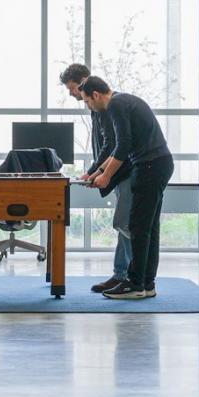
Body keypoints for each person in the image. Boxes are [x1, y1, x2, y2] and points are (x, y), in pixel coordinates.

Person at [82, 77, 174, 300]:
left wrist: (106, 176)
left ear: (96, 95)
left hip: (149, 166)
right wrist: (95, 173)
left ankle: (135, 285)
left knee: (139, 227)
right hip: (159, 164)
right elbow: (118, 147)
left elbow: (122, 146)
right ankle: (147, 284)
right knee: (149, 228)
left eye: (87, 101)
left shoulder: (115, 105)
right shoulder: (124, 101)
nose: (88, 107)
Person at [61, 64, 132, 292]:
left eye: (73, 89)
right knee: (125, 224)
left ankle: (130, 278)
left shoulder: (109, 105)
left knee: (127, 224)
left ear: (86, 84)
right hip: (116, 170)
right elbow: (104, 143)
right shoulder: (97, 106)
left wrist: (97, 171)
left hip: (126, 170)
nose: (73, 95)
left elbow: (113, 144)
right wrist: (94, 171)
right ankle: (121, 274)